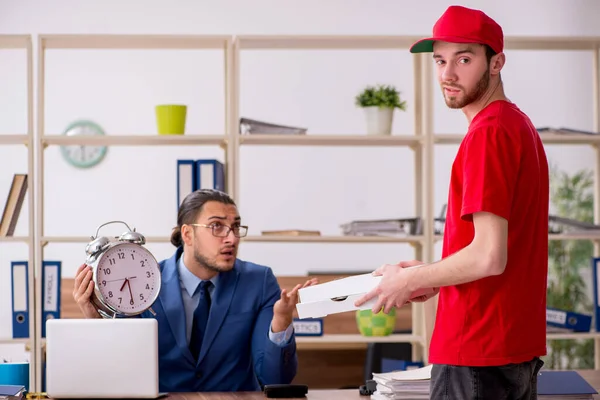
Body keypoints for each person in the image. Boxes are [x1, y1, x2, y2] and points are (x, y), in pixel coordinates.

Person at [356, 5, 549, 399]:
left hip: (476, 352)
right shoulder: (518, 125)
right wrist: (430, 273)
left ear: (497, 63)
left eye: (464, 59)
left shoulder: (488, 134)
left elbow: (488, 257)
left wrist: (408, 279)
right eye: (440, 60)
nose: (447, 74)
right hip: (508, 349)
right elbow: (494, 252)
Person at [73, 188, 316, 393]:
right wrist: (96, 321)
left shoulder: (259, 281)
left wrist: (282, 320)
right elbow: (121, 372)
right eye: (217, 227)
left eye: (235, 227)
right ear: (187, 234)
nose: (231, 238)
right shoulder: (143, 284)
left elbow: (275, 380)